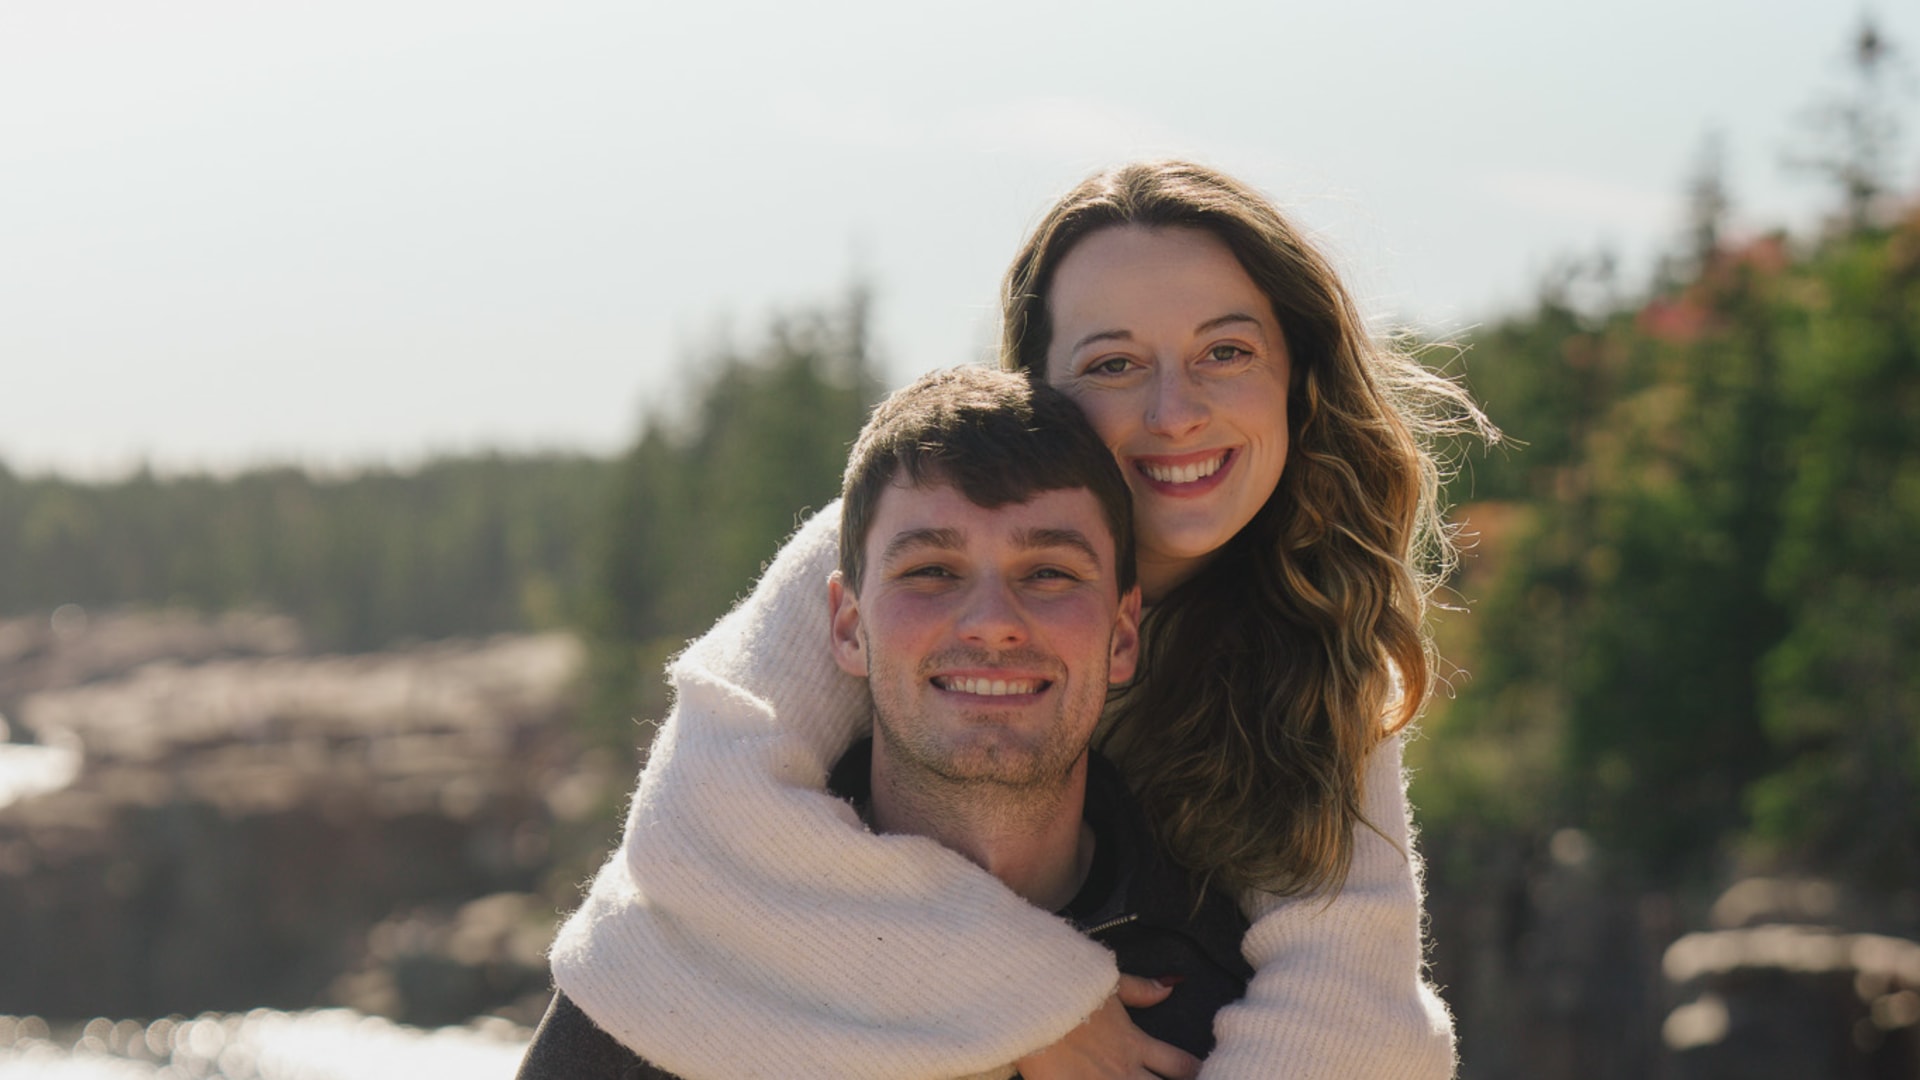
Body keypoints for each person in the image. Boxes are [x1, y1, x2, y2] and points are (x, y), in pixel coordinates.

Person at [549, 160, 1493, 1079]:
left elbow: (1353, 1000)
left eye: (1226, 352)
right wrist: (1026, 1005)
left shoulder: (1317, 631)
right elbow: (708, 821)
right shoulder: (904, 547)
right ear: (1039, 391)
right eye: (1115, 362)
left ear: (1296, 378)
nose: (1175, 411)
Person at [518, 368, 1255, 1078]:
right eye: (931, 570)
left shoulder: (1229, 1002)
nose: (993, 623)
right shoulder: (668, 974)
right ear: (847, 626)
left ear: (1123, 633)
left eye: (1050, 573)